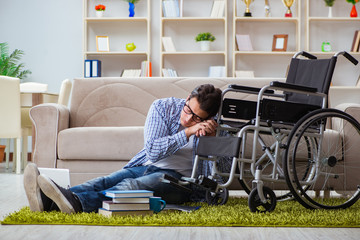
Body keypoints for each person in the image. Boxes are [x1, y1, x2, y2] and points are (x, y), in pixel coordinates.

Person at [24, 84, 222, 214]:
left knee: (132, 186)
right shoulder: (164, 107)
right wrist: (187, 132)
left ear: (209, 118)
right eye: (188, 110)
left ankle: (75, 202)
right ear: (187, 98)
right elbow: (152, 151)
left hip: (182, 181)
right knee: (105, 180)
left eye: (197, 118)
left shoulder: (217, 128)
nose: (188, 119)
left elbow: (223, 176)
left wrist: (214, 143)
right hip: (148, 165)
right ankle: (48, 201)